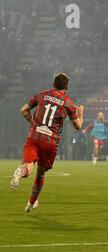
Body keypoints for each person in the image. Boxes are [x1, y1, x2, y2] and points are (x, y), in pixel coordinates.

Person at [9, 73, 84, 213]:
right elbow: (78, 126)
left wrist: (33, 124)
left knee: (28, 166)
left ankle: (20, 172)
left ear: (53, 84)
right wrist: (81, 113)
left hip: (35, 136)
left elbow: (23, 110)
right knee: (40, 173)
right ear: (66, 87)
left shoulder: (42, 94)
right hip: (50, 141)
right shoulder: (68, 102)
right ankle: (31, 203)